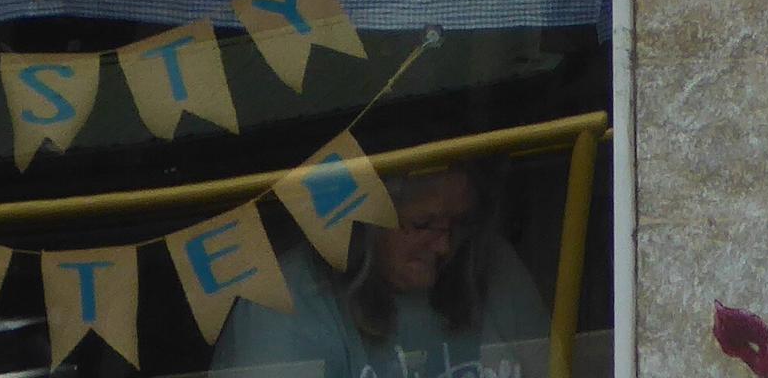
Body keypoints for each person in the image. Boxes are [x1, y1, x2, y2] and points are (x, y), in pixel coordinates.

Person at [208, 162, 555, 378]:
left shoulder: (489, 261)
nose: (445, 246)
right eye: (423, 224)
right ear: (366, 219)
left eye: (460, 223)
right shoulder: (286, 298)